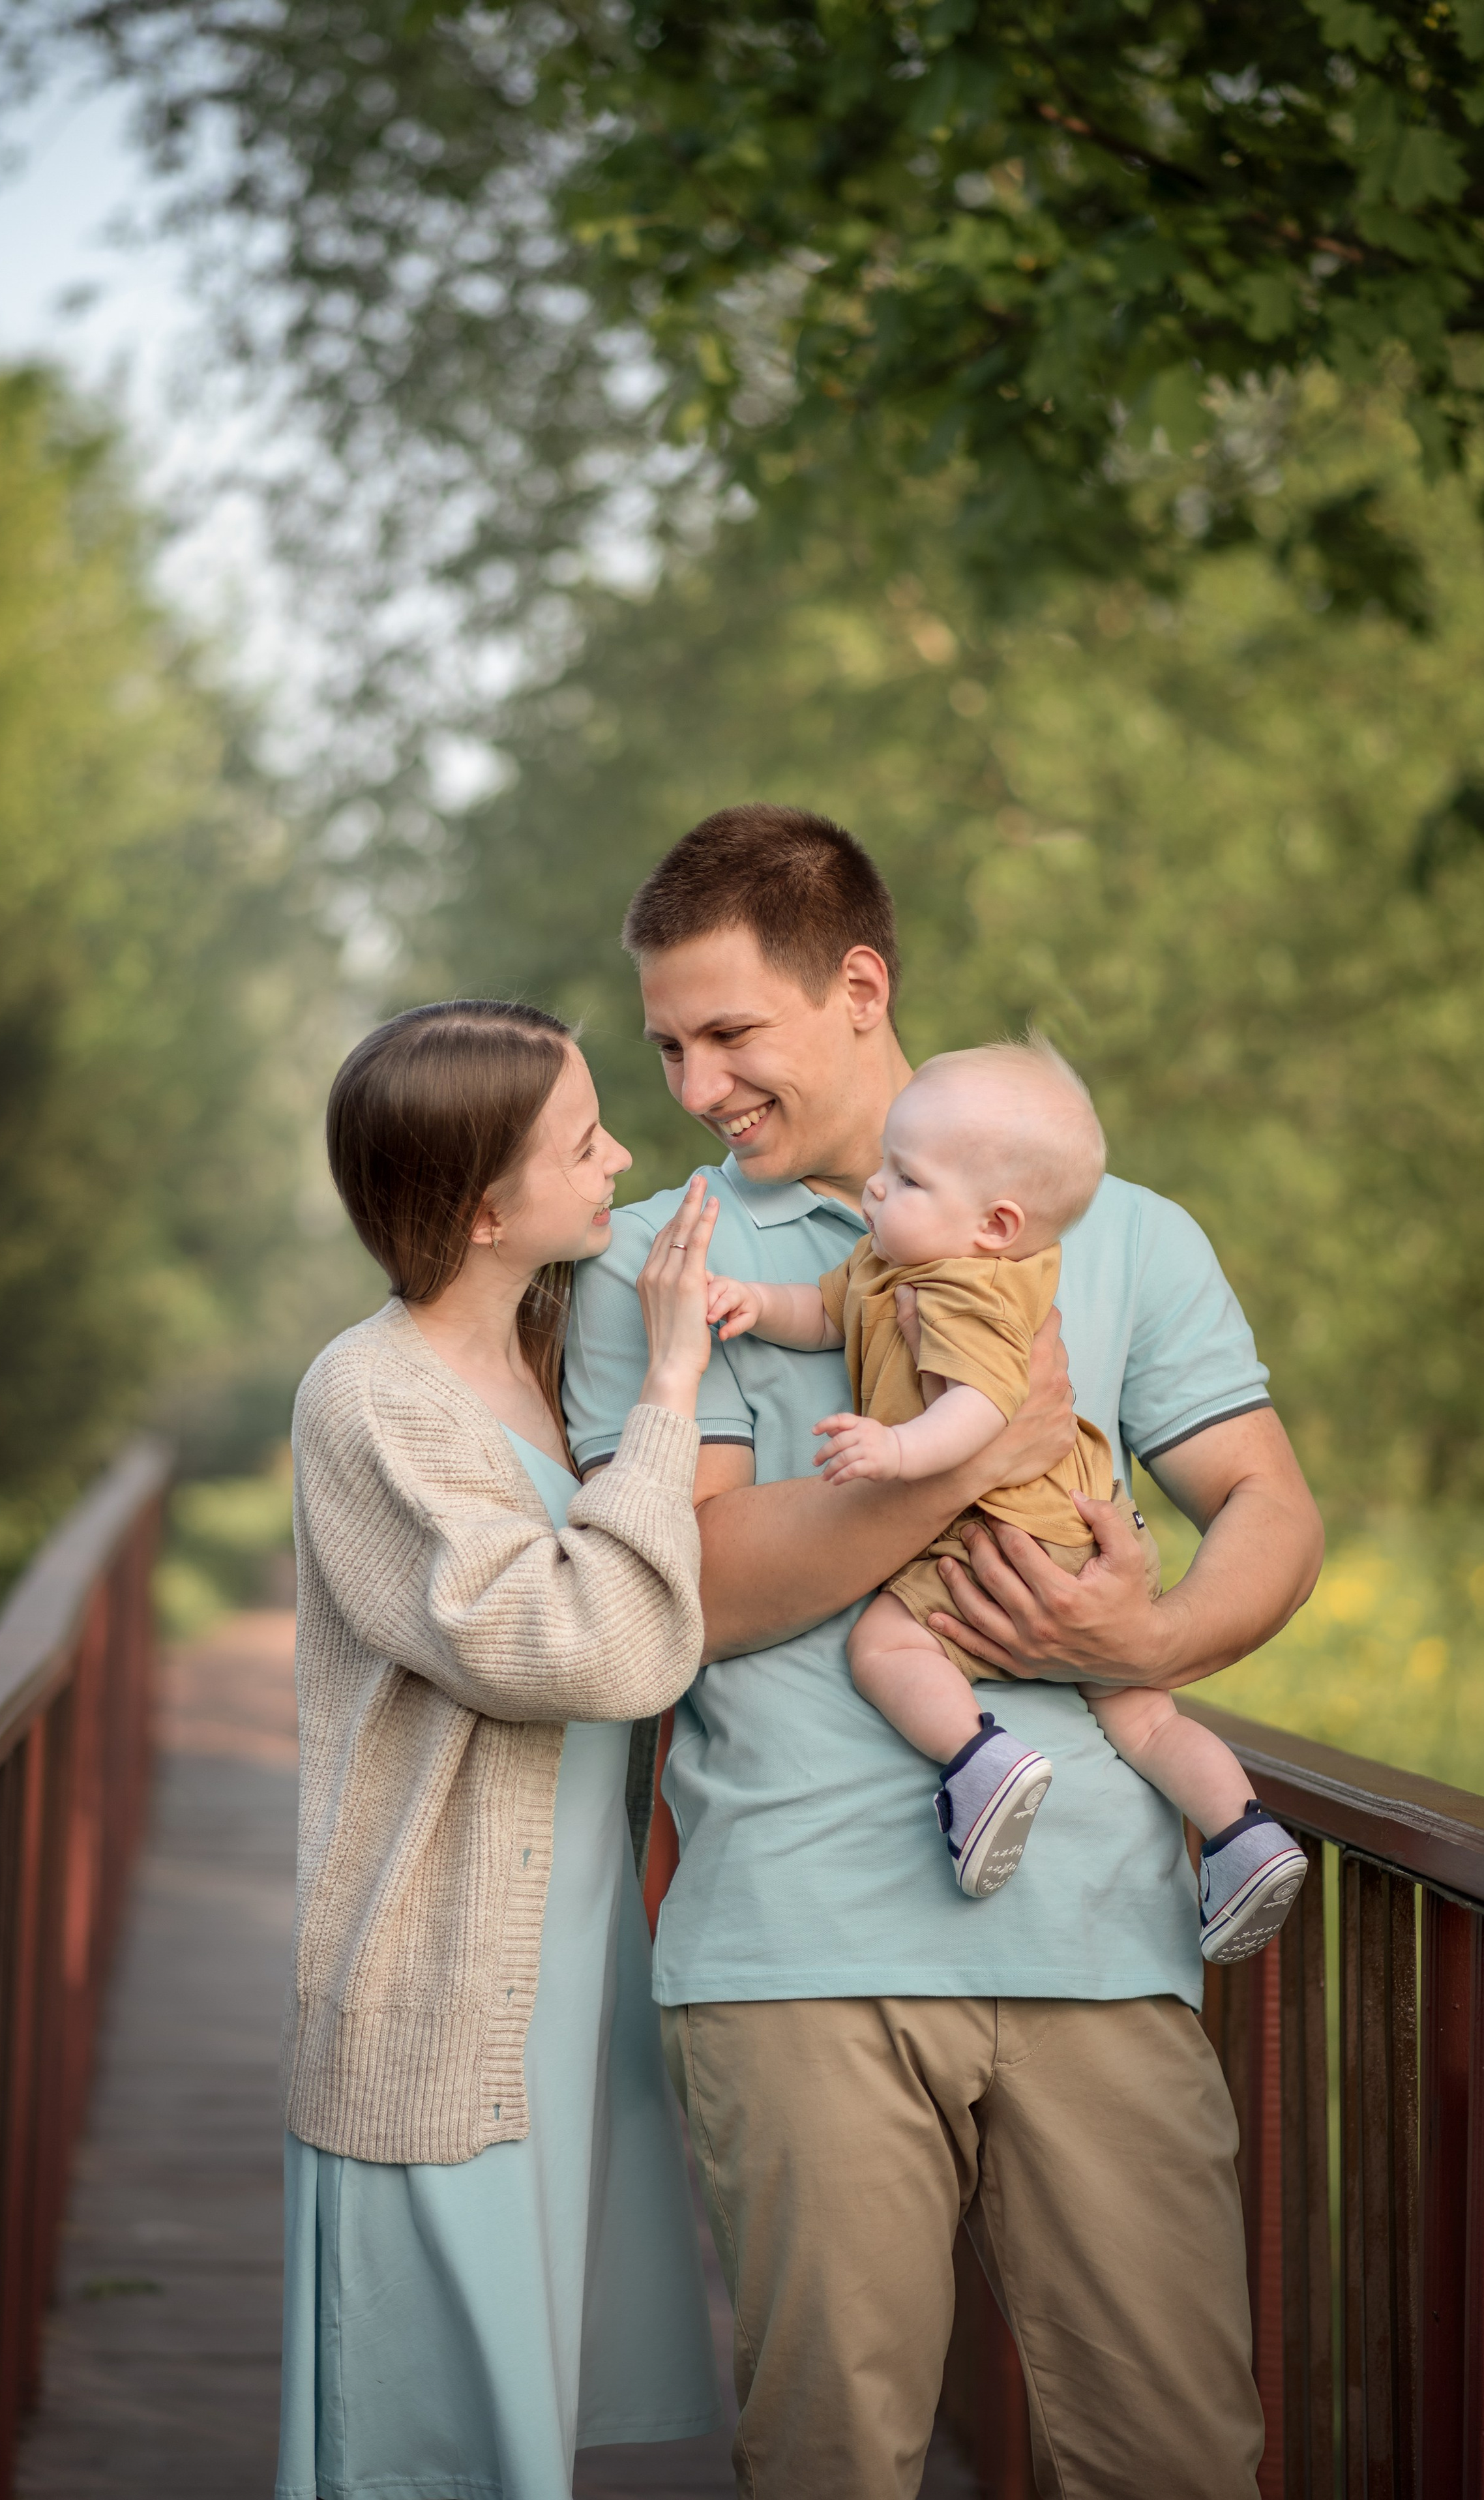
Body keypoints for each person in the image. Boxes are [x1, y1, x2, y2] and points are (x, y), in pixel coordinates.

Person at [562, 805, 1326, 2500]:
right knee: (830, 2465)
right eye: (667, 1046)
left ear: (857, 986)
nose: (695, 1088)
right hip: (796, 1953)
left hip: (1110, 1945)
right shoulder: (661, 1264)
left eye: (730, 1034)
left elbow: (1267, 1505)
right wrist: (980, 1458)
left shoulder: (1125, 1229)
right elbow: (687, 1584)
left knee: (1182, 2460)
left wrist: (1154, 1629)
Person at [275, 1000, 723, 2500]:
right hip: (441, 1973)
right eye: (581, 1141)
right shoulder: (370, 1395)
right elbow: (571, 1647)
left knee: (524, 2412)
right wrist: (669, 1396)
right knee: (433, 2438)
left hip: (569, 1961)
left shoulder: (545, 1340)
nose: (619, 1158)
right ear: (479, 1208)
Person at [706, 1037, 1309, 1959]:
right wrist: (754, 1299)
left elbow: (988, 1408)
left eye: (906, 1180)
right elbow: (825, 1310)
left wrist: (897, 1447)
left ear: (994, 1225)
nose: (875, 1190)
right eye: (885, 1168)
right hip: (1076, 1540)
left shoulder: (966, 1289)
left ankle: (978, 1762)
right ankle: (1242, 1834)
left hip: (999, 1535)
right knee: (1143, 1713)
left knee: (886, 1643)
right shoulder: (891, 1263)